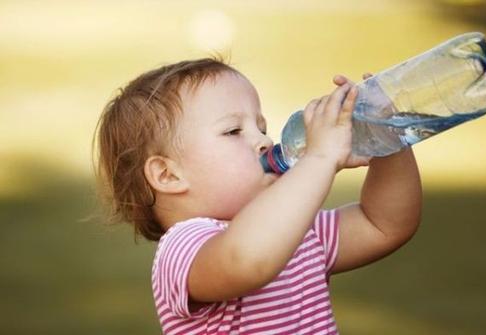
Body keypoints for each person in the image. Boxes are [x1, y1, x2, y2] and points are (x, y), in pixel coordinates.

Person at [94, 57, 422, 334]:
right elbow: (248, 261)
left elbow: (385, 224)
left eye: (261, 126)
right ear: (168, 174)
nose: (264, 141)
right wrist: (319, 159)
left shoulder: (298, 231)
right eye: (234, 131)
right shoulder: (182, 249)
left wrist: (388, 139)